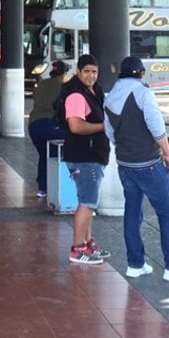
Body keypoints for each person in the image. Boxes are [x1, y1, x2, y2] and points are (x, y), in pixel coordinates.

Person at [104, 56, 169, 283]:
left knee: (132, 212)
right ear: (139, 72)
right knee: (166, 213)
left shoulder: (109, 97)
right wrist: (167, 152)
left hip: (125, 163)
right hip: (148, 163)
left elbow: (109, 132)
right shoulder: (143, 93)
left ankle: (135, 264)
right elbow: (156, 126)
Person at [59, 53, 111, 266]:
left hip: (91, 155)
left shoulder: (92, 91)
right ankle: (77, 248)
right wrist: (103, 127)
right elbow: (76, 126)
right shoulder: (76, 95)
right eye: (87, 71)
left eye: (94, 72)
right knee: (87, 203)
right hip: (84, 155)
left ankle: (87, 243)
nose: (91, 76)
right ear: (78, 72)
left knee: (89, 203)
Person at [27, 60, 68, 198]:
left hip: (34, 125)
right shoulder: (64, 86)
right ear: (64, 73)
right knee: (63, 151)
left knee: (44, 155)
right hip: (51, 125)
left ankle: (42, 188)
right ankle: (62, 186)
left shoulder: (42, 84)